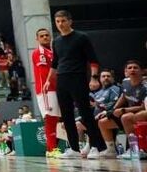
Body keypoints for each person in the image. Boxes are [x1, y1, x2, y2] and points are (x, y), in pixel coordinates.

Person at [43, 10, 109, 159]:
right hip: (61, 79)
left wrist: (94, 78)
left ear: (70, 21)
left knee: (85, 113)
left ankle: (98, 147)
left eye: (63, 21)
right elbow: (55, 63)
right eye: (57, 21)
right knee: (66, 115)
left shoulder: (81, 37)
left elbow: (93, 60)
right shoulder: (56, 41)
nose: (60, 24)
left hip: (78, 78)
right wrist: (48, 80)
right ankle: (74, 149)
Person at [98, 60, 147, 159]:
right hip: (128, 111)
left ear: (142, 71)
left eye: (135, 67)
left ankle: (135, 149)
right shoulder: (125, 82)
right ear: (126, 71)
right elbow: (124, 96)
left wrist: (124, 110)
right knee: (102, 122)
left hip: (141, 111)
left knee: (126, 117)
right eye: (130, 68)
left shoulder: (145, 86)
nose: (132, 70)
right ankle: (111, 150)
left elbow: (143, 107)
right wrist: (112, 109)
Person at [30, 28, 61, 157]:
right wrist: (47, 88)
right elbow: (44, 73)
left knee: (56, 119)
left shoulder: (52, 52)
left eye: (47, 35)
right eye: (42, 36)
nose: (45, 37)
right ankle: (52, 150)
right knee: (50, 119)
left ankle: (51, 149)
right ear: (37, 39)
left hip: (56, 89)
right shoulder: (40, 52)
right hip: (47, 91)